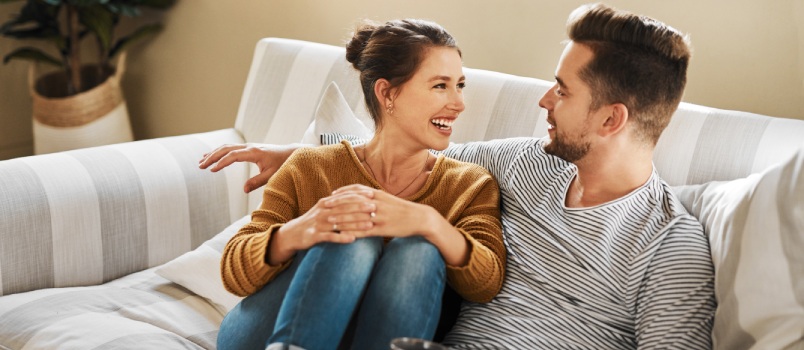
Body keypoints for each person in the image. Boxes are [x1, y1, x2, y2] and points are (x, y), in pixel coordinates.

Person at [201, 3, 717, 348]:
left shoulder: (670, 245)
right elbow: (408, 150)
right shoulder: (528, 162)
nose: (543, 101)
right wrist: (293, 154)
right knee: (366, 234)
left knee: (415, 246)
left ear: (611, 119)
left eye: (561, 90)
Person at [209, 19, 506, 350]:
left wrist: (428, 223)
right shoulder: (310, 166)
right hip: (261, 333)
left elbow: (486, 283)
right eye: (440, 86)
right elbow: (233, 271)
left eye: (460, 85)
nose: (458, 103)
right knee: (349, 233)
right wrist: (303, 230)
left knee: (419, 248)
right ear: (387, 93)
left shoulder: (468, 184)